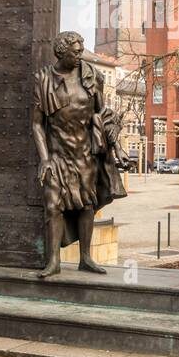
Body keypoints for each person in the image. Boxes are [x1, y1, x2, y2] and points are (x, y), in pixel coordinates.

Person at [33, 31, 126, 279]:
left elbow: (102, 115)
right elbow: (37, 124)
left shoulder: (91, 77)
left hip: (85, 153)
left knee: (87, 204)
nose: (80, 55)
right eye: (75, 52)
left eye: (81, 50)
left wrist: (116, 146)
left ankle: (86, 258)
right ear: (62, 52)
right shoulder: (44, 80)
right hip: (56, 155)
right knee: (53, 206)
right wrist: (44, 159)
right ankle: (53, 261)